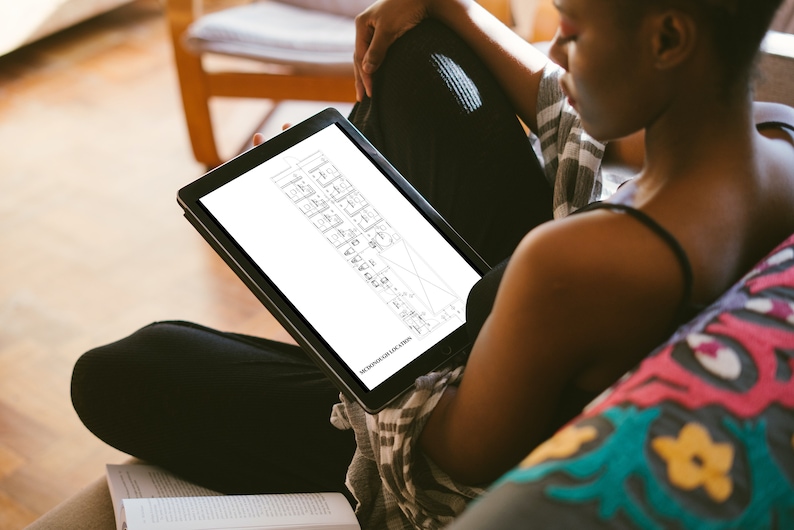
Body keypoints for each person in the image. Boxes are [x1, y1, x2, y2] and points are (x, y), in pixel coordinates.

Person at [71, 0, 794, 528]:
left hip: (472, 414)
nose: (559, 49)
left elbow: (440, 475)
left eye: (571, 28)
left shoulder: (578, 263)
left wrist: (330, 279)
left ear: (669, 37)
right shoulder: (774, 139)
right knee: (420, 53)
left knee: (124, 370)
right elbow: (586, 128)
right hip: (543, 338)